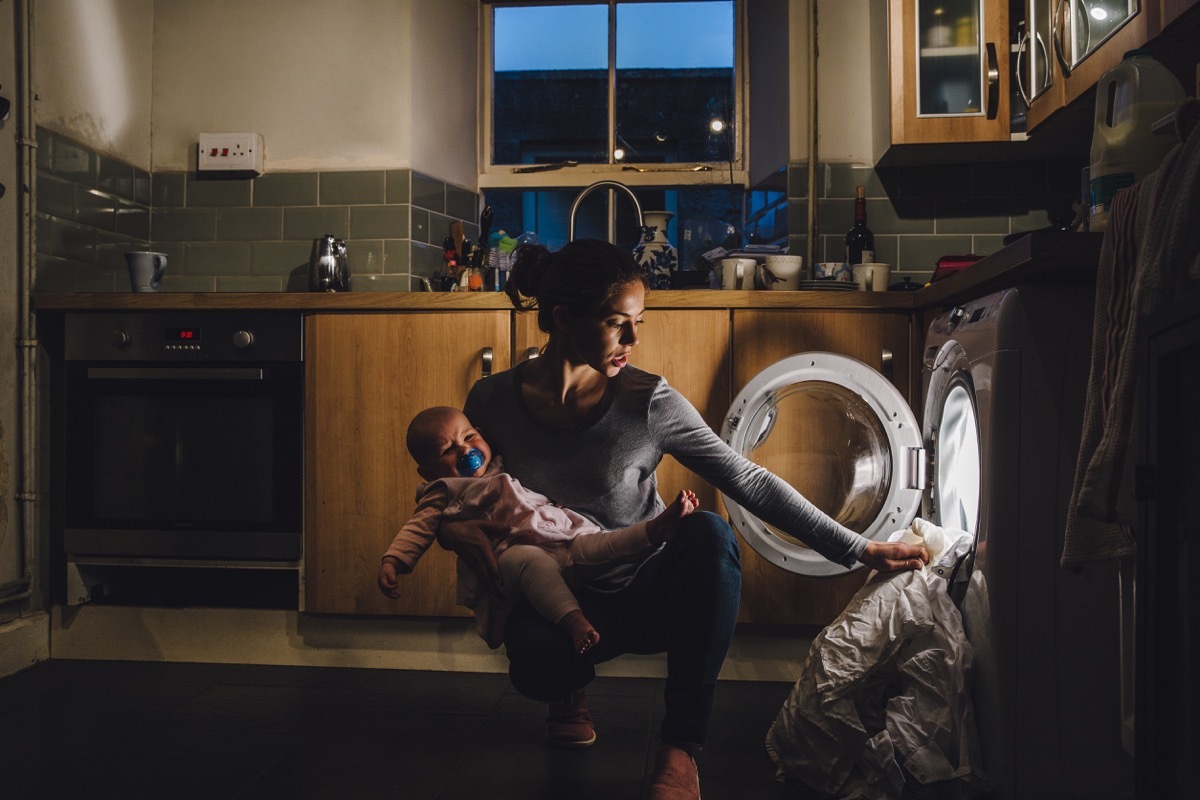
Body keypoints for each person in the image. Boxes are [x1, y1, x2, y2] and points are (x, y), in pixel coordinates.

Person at [440, 238, 929, 800]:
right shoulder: (491, 400)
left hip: (650, 591)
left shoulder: (649, 401)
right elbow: (459, 489)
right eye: (615, 323)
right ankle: (567, 689)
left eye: (638, 323)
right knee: (535, 666)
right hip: (560, 599)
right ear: (561, 319)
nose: (634, 340)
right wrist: (452, 527)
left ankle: (680, 750)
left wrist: (860, 549)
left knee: (709, 533)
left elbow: (747, 479)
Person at [378, 405, 700, 655]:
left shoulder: (499, 464)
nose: (465, 451)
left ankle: (654, 531)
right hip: (510, 554)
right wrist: (395, 561)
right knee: (533, 564)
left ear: (481, 433)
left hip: (556, 533)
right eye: (448, 450)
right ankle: (574, 621)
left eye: (468, 437)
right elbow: (418, 527)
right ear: (427, 470)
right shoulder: (442, 489)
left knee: (598, 543)